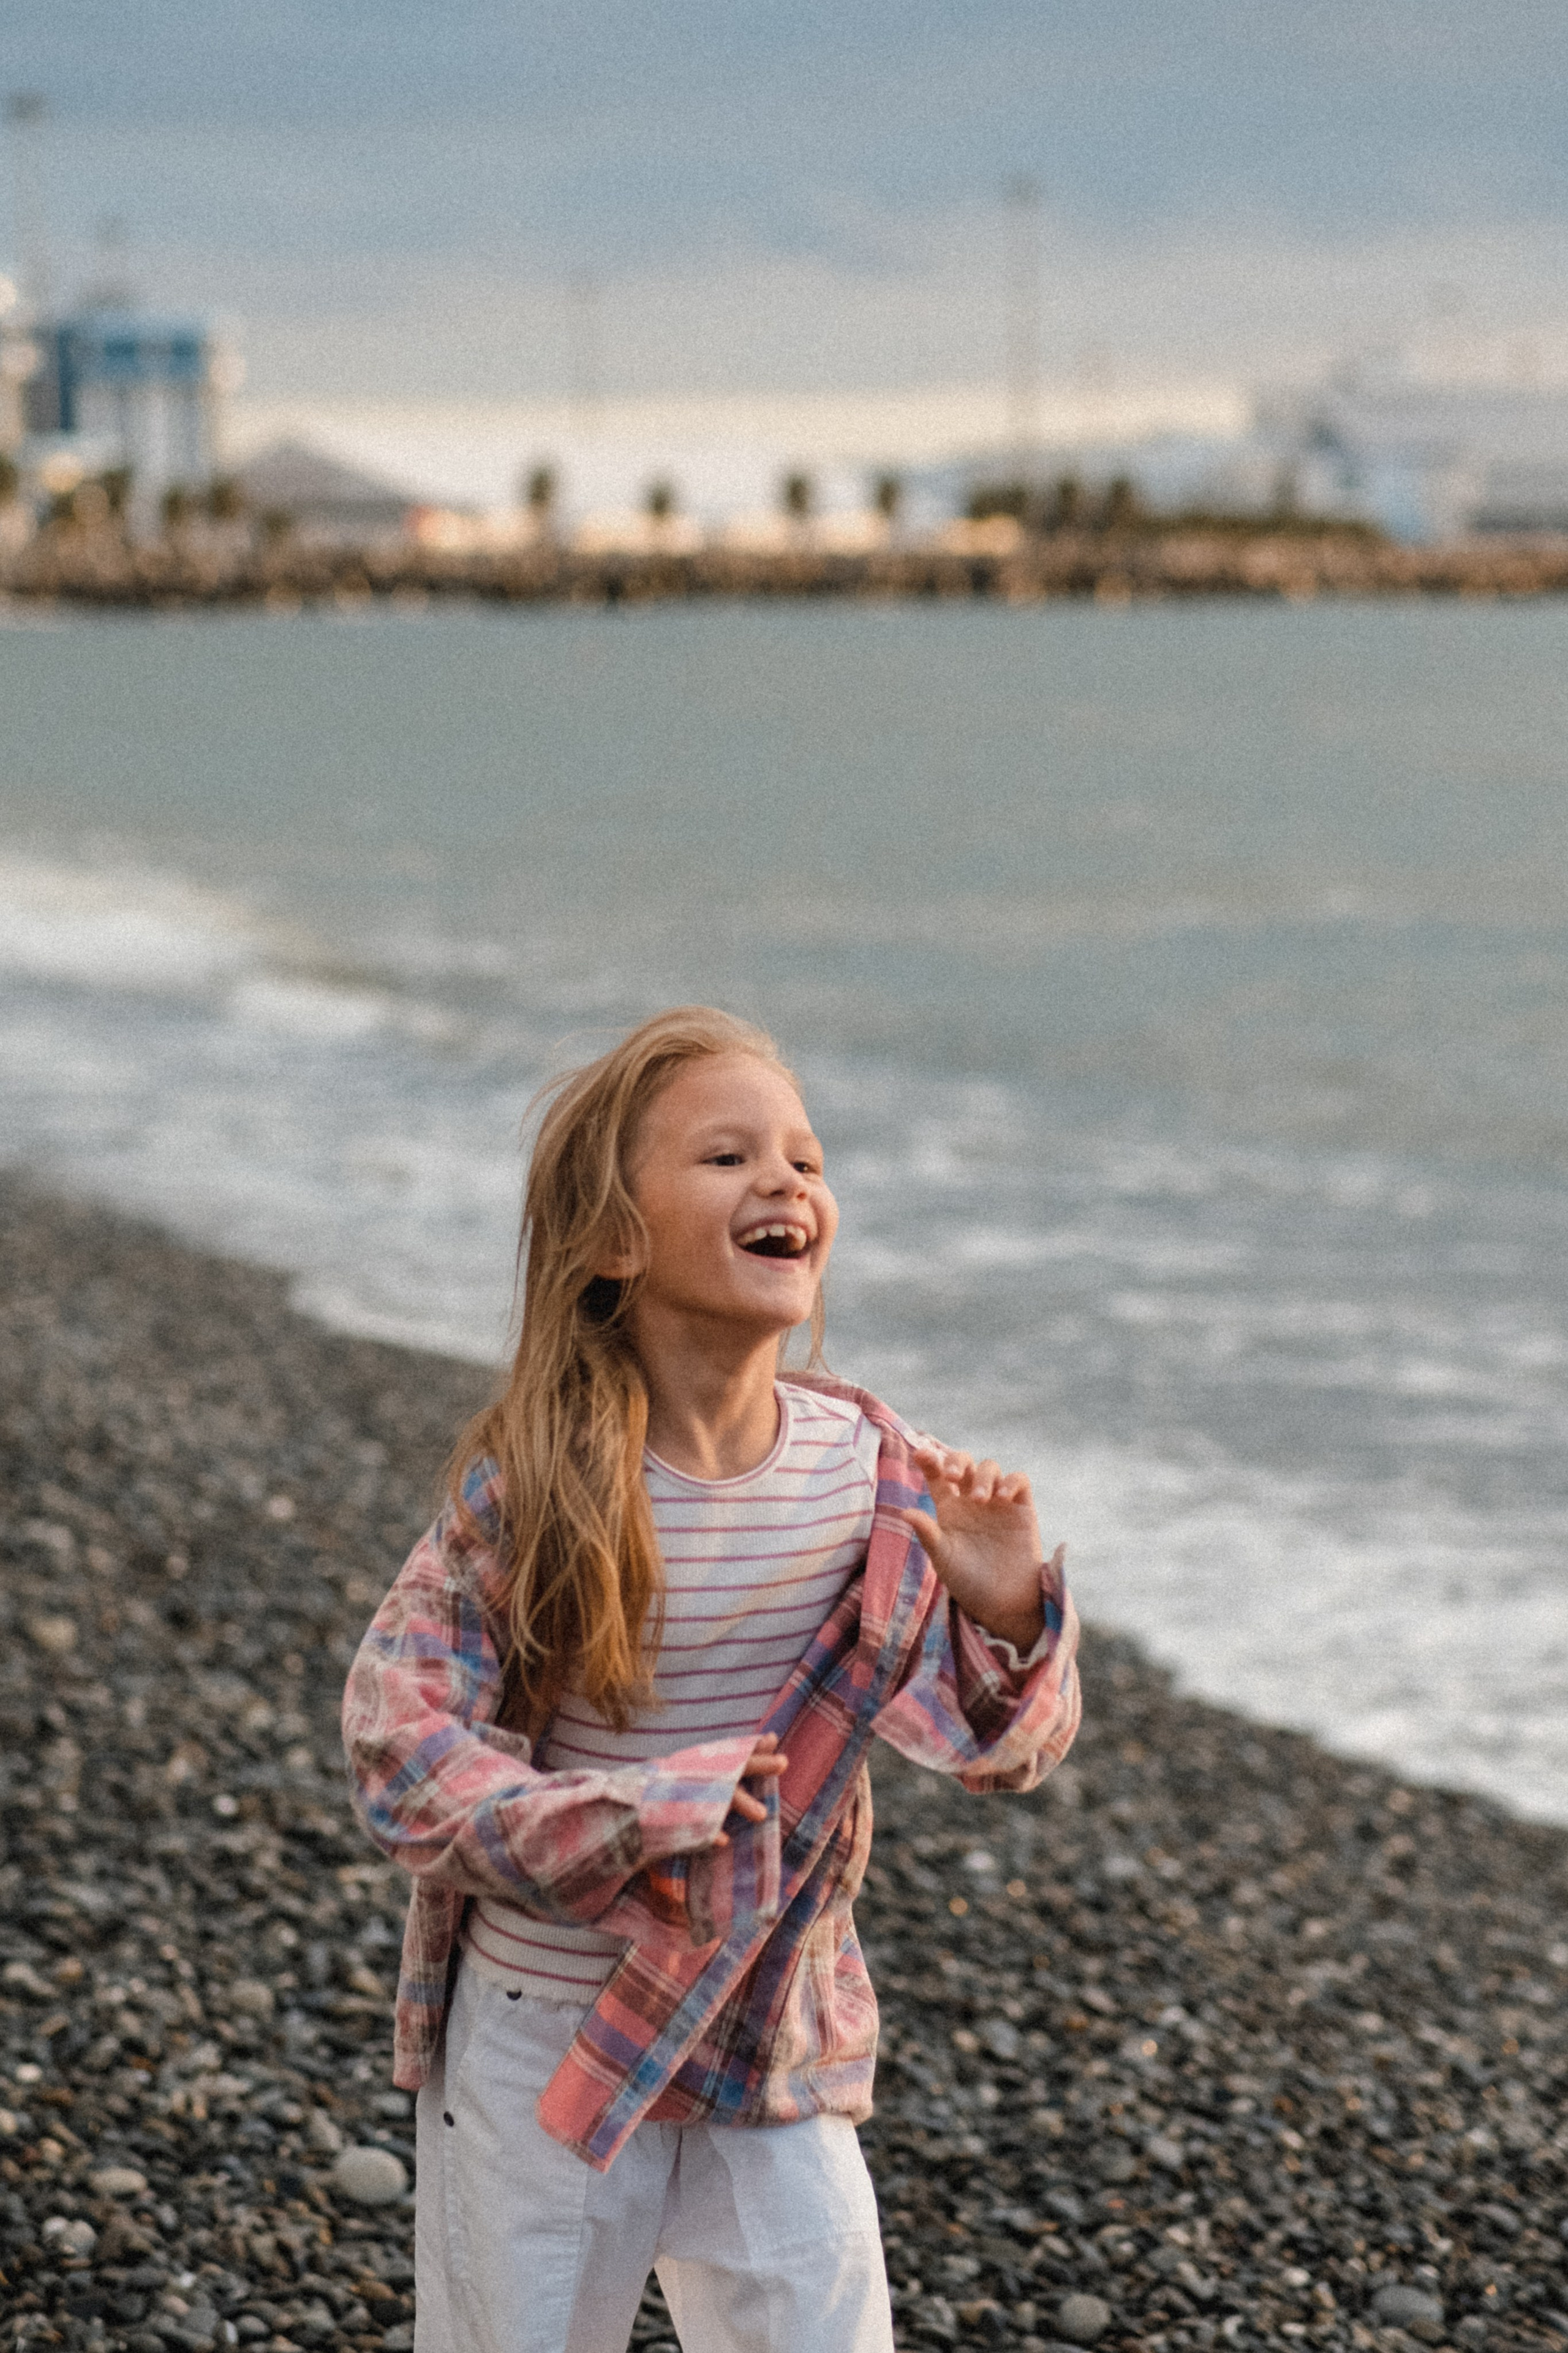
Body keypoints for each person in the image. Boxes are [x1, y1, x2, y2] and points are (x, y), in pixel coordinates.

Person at [342, 1005, 1080, 2353]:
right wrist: (632, 1811)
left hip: (768, 2025)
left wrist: (1008, 1607)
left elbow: (998, 1752)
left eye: (804, 1156)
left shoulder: (869, 1472)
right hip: (541, 2025)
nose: (786, 1181)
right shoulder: (542, 1491)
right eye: (727, 1157)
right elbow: (399, 1751)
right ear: (615, 1240)